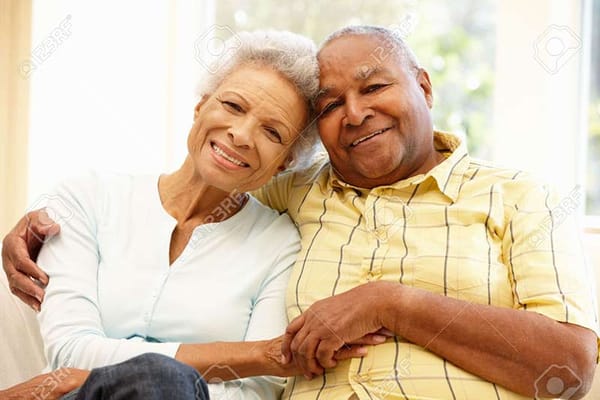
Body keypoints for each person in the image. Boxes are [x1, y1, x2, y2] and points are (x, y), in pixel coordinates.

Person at [4, 25, 599, 400]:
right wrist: (37, 222)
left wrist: (392, 303)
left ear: (423, 84)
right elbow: (203, 185)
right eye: (331, 104)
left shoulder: (520, 197)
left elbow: (570, 370)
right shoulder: (295, 195)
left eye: (374, 87)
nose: (356, 112)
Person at [0, 30, 375, 400]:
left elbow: (255, 393)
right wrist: (257, 356)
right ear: (201, 105)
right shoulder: (85, 198)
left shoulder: (280, 245)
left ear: (285, 163)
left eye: (272, 132)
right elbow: (70, 352)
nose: (241, 135)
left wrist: (170, 383)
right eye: (233, 106)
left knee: (161, 381)